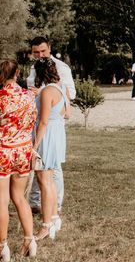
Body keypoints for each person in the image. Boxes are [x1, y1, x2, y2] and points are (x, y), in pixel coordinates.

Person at [26, 36, 74, 219]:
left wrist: (45, 93)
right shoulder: (33, 67)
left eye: (43, 51)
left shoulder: (61, 67)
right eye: (36, 52)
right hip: (36, 119)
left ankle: (56, 206)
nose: (39, 55)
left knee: (52, 168)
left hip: (51, 121)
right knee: (40, 165)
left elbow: (70, 93)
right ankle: (36, 203)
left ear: (50, 48)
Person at [0, 60, 38, 258]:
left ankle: (2, 246)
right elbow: (32, 121)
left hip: (3, 151)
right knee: (20, 197)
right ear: (18, 73)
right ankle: (29, 240)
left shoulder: (0, 98)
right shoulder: (29, 96)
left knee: (2, 200)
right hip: (23, 150)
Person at [32, 58, 66, 241]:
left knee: (44, 181)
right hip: (56, 135)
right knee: (49, 180)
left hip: (46, 137)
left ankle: (45, 226)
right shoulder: (59, 88)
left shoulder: (47, 91)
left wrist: (34, 146)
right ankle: (53, 218)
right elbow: (64, 114)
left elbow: (43, 121)